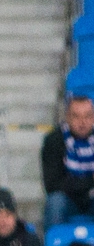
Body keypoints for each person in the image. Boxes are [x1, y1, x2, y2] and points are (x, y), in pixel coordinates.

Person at [41, 94, 94, 230]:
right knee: (55, 202)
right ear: (67, 118)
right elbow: (53, 185)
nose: (82, 122)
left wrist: (76, 183)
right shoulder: (53, 140)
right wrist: (89, 182)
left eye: (87, 116)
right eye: (76, 116)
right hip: (66, 200)